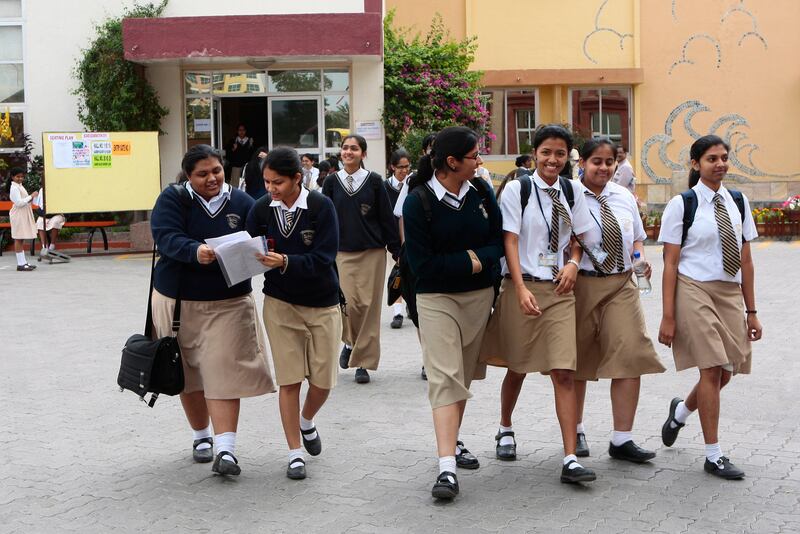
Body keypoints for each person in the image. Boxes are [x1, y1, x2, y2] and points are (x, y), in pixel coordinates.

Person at [480, 124, 597, 484]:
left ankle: (569, 458)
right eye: (547, 152)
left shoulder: (572, 190)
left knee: (563, 371)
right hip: (524, 287)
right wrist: (518, 286)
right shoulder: (518, 189)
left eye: (560, 153)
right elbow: (509, 240)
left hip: (559, 291)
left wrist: (574, 264)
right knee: (518, 366)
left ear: (568, 157)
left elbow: (579, 237)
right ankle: (505, 427)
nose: (553, 159)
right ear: (535, 154)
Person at [149, 144, 275, 477]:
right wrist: (195, 251)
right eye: (202, 174)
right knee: (188, 373)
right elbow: (165, 237)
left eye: (216, 171)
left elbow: (263, 238)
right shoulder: (172, 199)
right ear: (188, 176)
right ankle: (200, 435)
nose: (212, 179)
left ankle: (226, 450)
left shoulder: (243, 203)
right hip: (178, 302)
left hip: (229, 302)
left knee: (224, 370)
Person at [402, 126, 503, 500]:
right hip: (435, 300)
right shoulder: (418, 201)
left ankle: (453, 443)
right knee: (445, 377)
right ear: (452, 161)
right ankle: (446, 469)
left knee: (461, 377)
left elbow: (497, 243)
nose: (480, 161)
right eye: (475, 155)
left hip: (479, 300)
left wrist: (471, 262)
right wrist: (476, 261)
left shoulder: (480, 193)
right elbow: (424, 266)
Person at [657, 134, 762, 479]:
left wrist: (752, 310)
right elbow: (670, 264)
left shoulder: (738, 201)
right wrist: (668, 316)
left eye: (723, 158)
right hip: (693, 289)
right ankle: (713, 455)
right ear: (695, 164)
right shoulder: (682, 204)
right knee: (712, 369)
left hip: (729, 292)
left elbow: (746, 260)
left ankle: (680, 414)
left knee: (727, 373)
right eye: (711, 159)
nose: (720, 164)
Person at [247, 147, 342, 481]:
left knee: (323, 381)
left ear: (297, 178)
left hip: (322, 303)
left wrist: (286, 261)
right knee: (289, 380)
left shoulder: (321, 206)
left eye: (277, 182)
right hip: (280, 303)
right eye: (266, 181)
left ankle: (307, 420)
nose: (270, 188)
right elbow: (249, 249)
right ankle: (294, 453)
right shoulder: (260, 209)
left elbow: (325, 256)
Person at [571, 139, 666, 463]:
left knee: (630, 354)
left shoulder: (623, 196)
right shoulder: (568, 196)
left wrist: (639, 259)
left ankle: (622, 439)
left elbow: (637, 237)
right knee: (577, 361)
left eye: (609, 162)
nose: (603, 168)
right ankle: (576, 431)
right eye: (596, 161)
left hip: (622, 284)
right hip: (580, 285)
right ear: (582, 162)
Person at [322, 135, 400, 384]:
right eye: (345, 148)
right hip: (341, 253)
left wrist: (397, 251)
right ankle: (350, 343)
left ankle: (363, 362)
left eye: (354, 149)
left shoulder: (375, 181)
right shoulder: (331, 182)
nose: (348, 152)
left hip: (373, 253)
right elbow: (321, 218)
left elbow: (387, 218)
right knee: (348, 306)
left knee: (369, 308)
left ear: (363, 154)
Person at [385, 149, 411, 329]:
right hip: (392, 237)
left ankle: (410, 303)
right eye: (400, 167)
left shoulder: (412, 184)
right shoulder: (384, 187)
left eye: (407, 167)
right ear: (392, 167)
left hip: (410, 236)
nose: (404, 170)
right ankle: (397, 312)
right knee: (398, 272)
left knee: (409, 271)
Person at [5, 167, 38, 271]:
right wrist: (31, 196)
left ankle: (23, 262)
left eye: (22, 176)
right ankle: (20, 264)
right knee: (18, 238)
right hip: (18, 214)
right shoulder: (14, 188)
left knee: (21, 238)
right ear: (12, 177)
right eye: (17, 176)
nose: (20, 178)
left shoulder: (19, 186)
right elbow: (19, 203)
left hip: (22, 213)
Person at [34, 186, 66, 258]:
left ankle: (52, 246)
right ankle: (44, 247)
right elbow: (39, 205)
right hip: (45, 214)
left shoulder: (58, 188)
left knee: (55, 222)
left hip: (57, 213)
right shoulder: (42, 190)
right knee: (40, 222)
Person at [227, 124, 254, 188]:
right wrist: (233, 150)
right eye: (240, 130)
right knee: (235, 186)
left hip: (247, 167)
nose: (241, 132)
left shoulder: (250, 141)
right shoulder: (233, 141)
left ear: (246, 131)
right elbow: (228, 155)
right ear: (237, 131)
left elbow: (253, 154)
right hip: (236, 167)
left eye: (243, 130)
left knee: (246, 185)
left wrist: (251, 145)